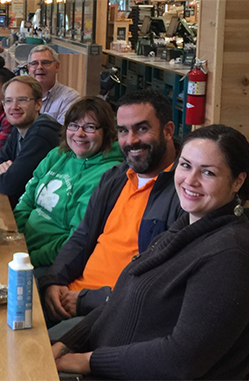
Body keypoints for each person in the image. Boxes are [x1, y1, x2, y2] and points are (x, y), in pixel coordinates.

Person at [52, 124, 249, 379]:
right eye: (185, 165)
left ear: (237, 181)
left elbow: (182, 360)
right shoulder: (185, 227)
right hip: (102, 359)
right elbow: (120, 301)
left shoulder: (232, 256)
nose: (190, 180)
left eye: (208, 172)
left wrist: (89, 361)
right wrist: (66, 344)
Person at [38, 89, 183, 338]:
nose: (131, 140)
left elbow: (160, 285)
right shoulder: (116, 177)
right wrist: (54, 281)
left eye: (142, 129)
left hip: (113, 312)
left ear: (168, 131)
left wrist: (85, 300)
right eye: (124, 131)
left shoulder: (183, 192)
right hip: (71, 294)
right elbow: (82, 237)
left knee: (29, 357)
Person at [13, 97, 123, 269]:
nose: (79, 133)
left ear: (107, 132)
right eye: (73, 125)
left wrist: (29, 259)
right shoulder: (58, 154)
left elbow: (76, 239)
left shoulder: (106, 175)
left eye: (90, 127)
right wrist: (14, 239)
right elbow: (27, 200)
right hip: (21, 249)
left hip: (49, 262)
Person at [0, 76, 61, 206]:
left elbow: (8, 185)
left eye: (22, 100)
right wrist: (2, 173)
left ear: (38, 104)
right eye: (9, 101)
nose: (14, 106)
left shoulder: (41, 134)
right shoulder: (19, 128)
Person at [27, 45, 80, 125]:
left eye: (45, 63)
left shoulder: (70, 98)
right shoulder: (21, 96)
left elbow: (62, 133)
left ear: (57, 66)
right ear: (28, 69)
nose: (40, 67)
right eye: (34, 63)